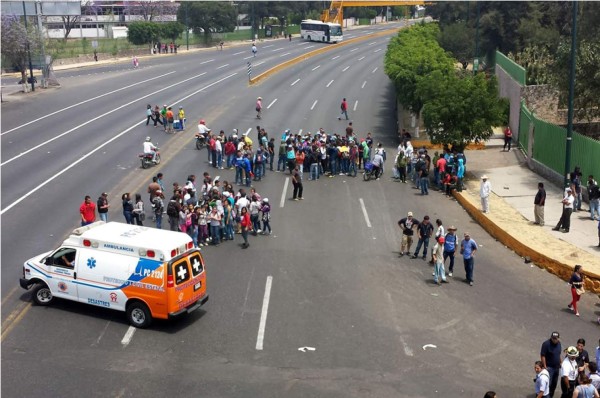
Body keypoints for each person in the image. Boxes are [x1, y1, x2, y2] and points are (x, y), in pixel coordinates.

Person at [541, 331, 563, 398]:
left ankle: (550, 396)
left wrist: (561, 362)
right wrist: (545, 366)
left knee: (554, 384)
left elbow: (558, 354)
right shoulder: (546, 344)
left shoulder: (559, 344)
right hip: (549, 367)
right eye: (553, 338)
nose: (554, 340)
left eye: (556, 338)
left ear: (558, 338)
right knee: (548, 384)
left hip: (556, 367)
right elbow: (543, 355)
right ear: (551, 337)